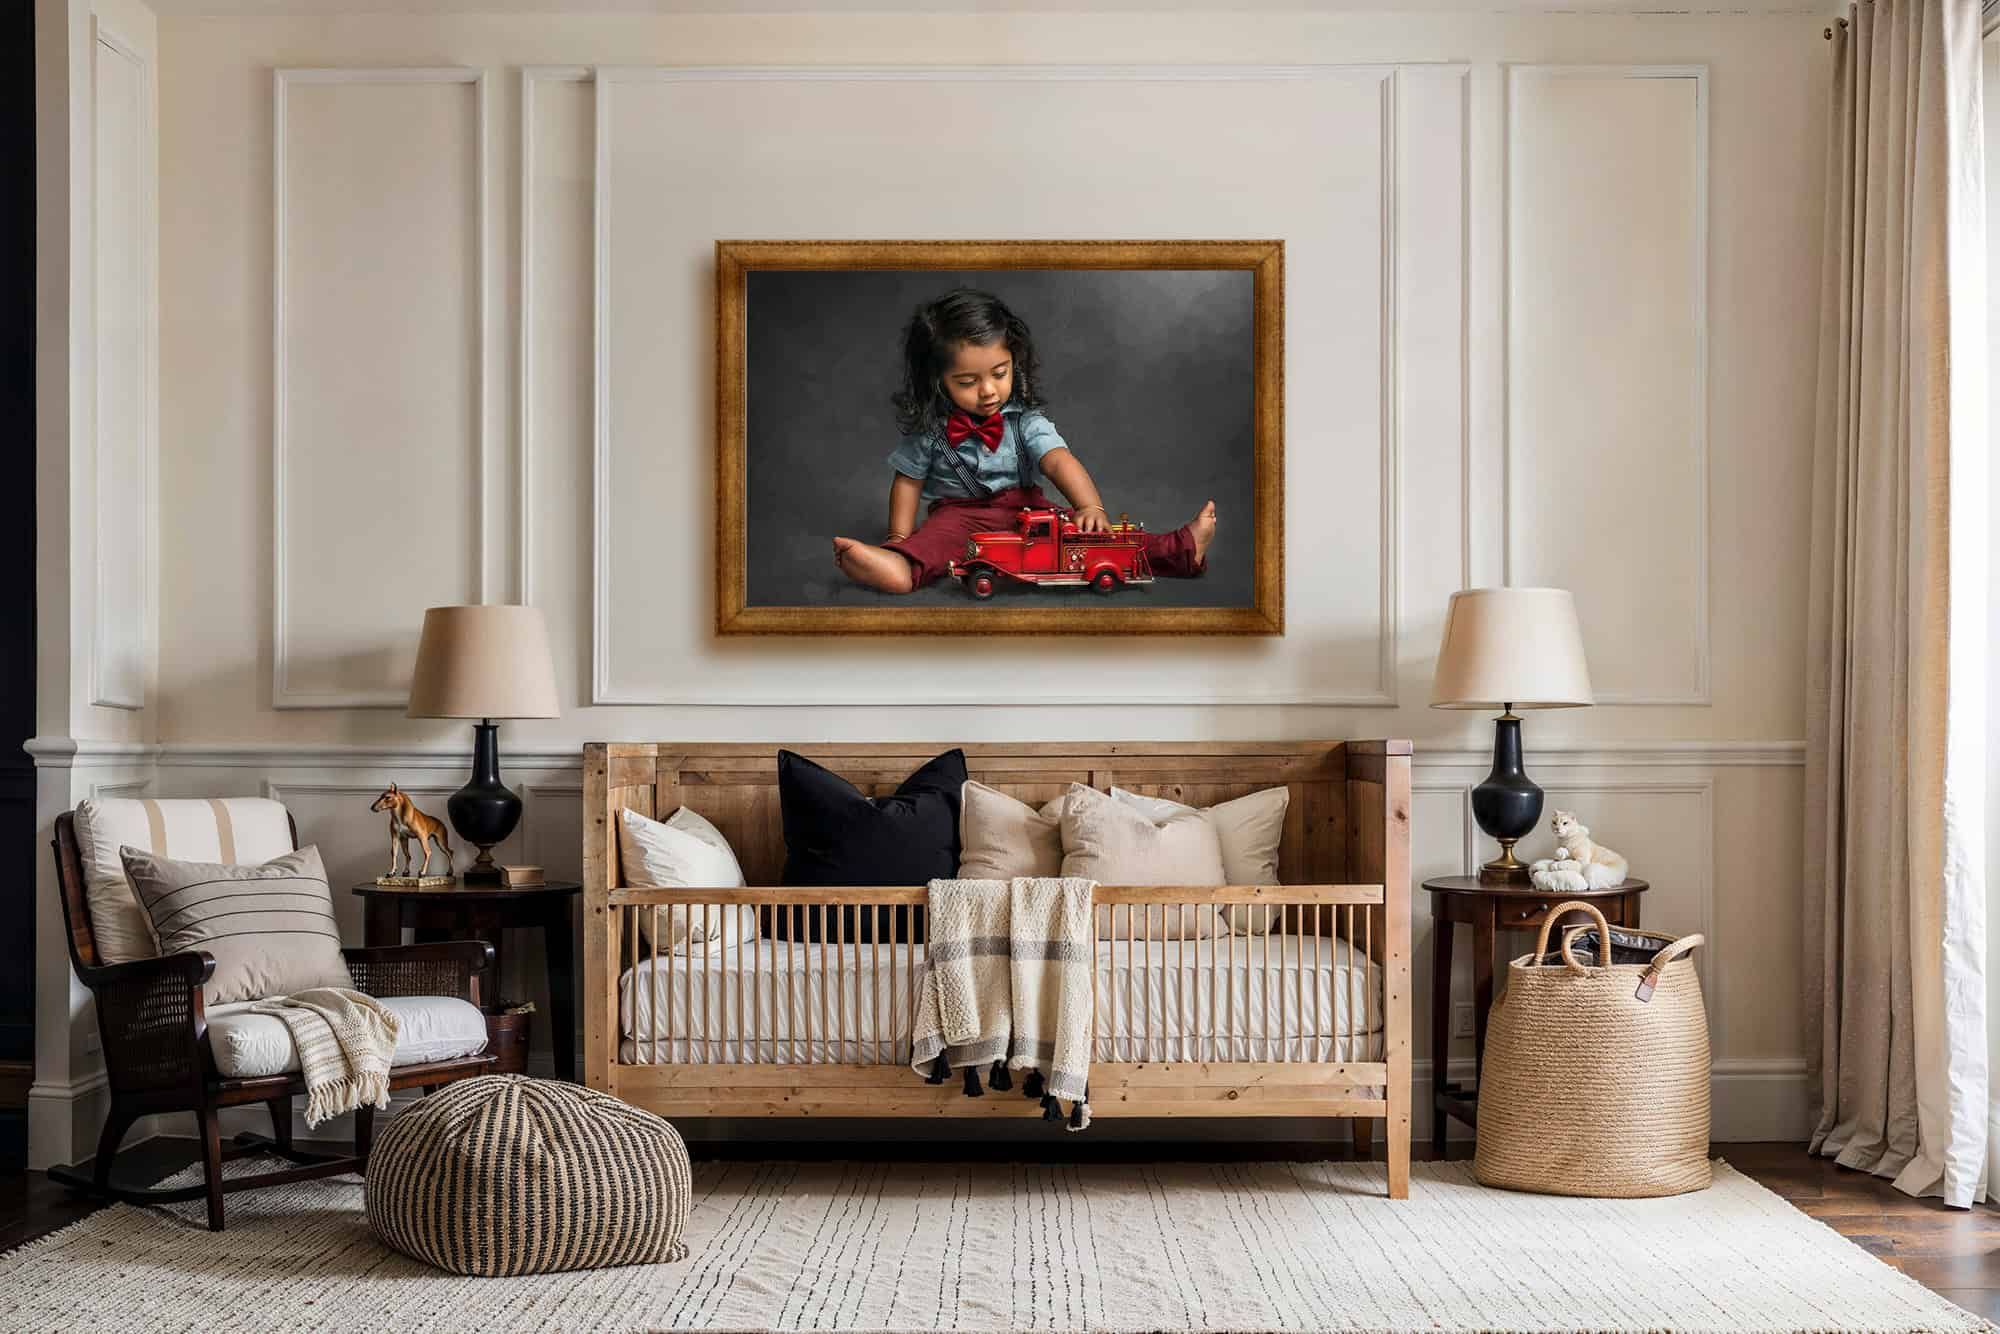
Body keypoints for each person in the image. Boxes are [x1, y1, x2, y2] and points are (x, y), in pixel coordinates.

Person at [831, 287, 1217, 594]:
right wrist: (899, 535)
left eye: (1000, 373)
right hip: (957, 515)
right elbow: (908, 482)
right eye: (967, 382)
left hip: (1029, 513)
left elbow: (1059, 460)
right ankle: (898, 565)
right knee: (934, 544)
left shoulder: (1025, 422)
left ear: (1015, 361)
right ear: (937, 381)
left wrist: (1090, 506)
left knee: (1093, 540)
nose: (987, 391)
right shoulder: (932, 432)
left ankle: (1178, 549)